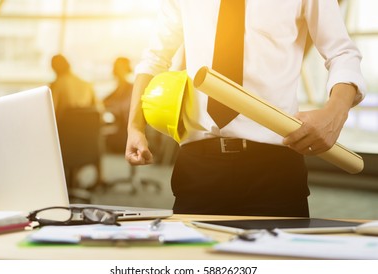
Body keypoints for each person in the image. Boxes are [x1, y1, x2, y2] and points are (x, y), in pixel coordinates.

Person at [125, 0, 366, 217]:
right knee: (197, 261)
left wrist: (335, 112)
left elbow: (342, 53)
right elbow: (154, 59)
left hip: (274, 167)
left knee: (279, 263)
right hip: (199, 166)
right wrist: (135, 127)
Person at [50, 54, 99, 121]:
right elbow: (99, 109)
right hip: (86, 129)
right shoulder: (87, 84)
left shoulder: (56, 85)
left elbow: (50, 112)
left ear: (54, 68)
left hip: (64, 129)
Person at [103, 57, 133, 153]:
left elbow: (124, 110)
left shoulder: (132, 88)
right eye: (117, 68)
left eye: (122, 69)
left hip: (126, 132)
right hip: (117, 128)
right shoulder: (117, 90)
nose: (119, 72)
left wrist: (111, 108)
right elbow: (105, 102)